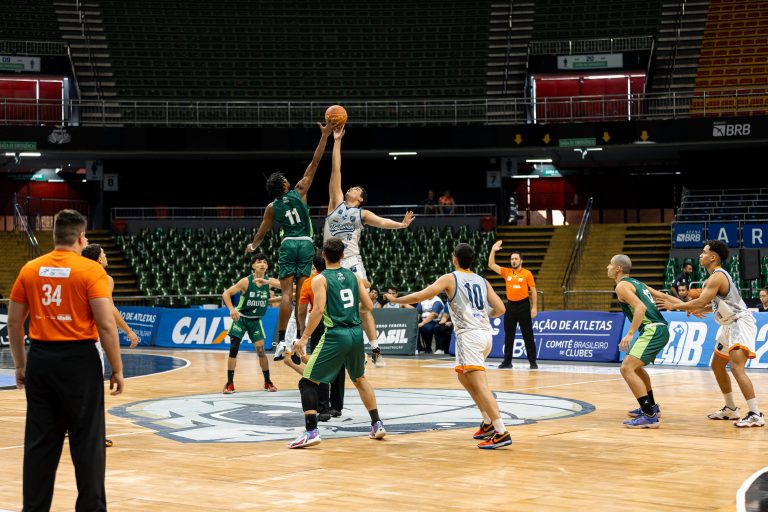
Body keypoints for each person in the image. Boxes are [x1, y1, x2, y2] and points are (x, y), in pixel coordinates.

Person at [7, 209, 124, 511]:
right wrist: (117, 368)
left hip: (41, 359)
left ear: (54, 235)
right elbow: (106, 324)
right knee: (88, 443)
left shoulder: (31, 269)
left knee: (39, 445)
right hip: (79, 362)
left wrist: (21, 365)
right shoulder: (90, 271)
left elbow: (14, 323)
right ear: (81, 238)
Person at [384, 243, 512, 449]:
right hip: (484, 334)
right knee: (463, 376)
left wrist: (395, 299)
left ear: (454, 259)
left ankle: (501, 431)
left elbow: (420, 296)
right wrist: (482, 315)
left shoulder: (450, 278)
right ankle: (488, 422)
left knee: (480, 385)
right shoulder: (482, 280)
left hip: (469, 336)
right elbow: (500, 309)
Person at [323, 127, 414, 365]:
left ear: (360, 198)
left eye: (355, 189)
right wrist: (337, 141)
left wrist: (401, 225)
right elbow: (335, 169)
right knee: (329, 306)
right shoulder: (335, 202)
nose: (350, 188)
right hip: (330, 261)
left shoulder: (362, 213)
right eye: (350, 187)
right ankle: (337, 346)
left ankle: (375, 350)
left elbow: (382, 222)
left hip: (351, 260)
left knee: (366, 305)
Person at [246, 121, 333, 360]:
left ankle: (282, 341)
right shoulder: (300, 190)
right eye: (284, 178)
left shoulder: (271, 207)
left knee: (286, 295)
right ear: (284, 184)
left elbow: (261, 233)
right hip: (305, 243)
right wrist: (324, 136)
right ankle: (300, 340)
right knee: (300, 296)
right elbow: (315, 162)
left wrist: (253, 246)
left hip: (287, 245)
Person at [289, 237, 387, 448]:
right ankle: (377, 424)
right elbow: (369, 305)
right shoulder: (354, 276)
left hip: (336, 334)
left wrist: (304, 338)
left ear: (324, 255)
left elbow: (317, 310)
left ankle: (311, 431)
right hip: (355, 333)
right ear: (343, 255)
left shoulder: (320, 279)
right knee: (359, 379)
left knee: (307, 382)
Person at [659, 240, 764, 427]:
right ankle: (731, 409)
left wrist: (675, 306)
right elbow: (713, 304)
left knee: (737, 368)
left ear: (713, 257)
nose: (701, 255)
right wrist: (699, 309)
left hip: (739, 322)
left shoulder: (717, 276)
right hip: (728, 324)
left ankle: (755, 414)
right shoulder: (714, 277)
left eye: (704, 252)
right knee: (717, 365)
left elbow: (700, 302)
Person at [81, 243, 140, 448]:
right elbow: (109, 309)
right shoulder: (103, 278)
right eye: (104, 254)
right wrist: (128, 330)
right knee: (94, 387)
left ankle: (71, 426)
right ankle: (95, 434)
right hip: (91, 337)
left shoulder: (76, 275)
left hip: (68, 338)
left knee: (75, 386)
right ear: (98, 259)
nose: (106, 257)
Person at [608, 254, 670, 429]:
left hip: (653, 329)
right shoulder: (638, 283)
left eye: (610, 264)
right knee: (636, 368)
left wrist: (629, 334)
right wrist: (689, 307)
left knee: (626, 368)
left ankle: (649, 416)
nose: (608, 267)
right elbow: (663, 296)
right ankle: (652, 407)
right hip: (659, 329)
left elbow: (640, 307)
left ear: (618, 269)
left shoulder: (621, 286)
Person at [296, 249, 344, 421]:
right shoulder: (341, 279)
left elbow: (302, 310)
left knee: (320, 364)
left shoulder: (310, 282)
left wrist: (302, 331)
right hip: (338, 322)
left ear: (314, 265)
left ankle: (323, 408)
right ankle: (336, 406)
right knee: (339, 363)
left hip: (318, 323)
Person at [221, 253, 279, 394]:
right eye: (259, 262)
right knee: (234, 349)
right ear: (253, 265)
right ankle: (229, 383)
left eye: (264, 262)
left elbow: (287, 288)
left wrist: (287, 296)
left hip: (255, 320)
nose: (262, 264)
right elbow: (226, 294)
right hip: (241, 319)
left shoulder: (269, 281)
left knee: (261, 351)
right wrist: (231, 309)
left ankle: (267, 382)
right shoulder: (246, 281)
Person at [488, 241, 538, 369]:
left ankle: (533, 362)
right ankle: (507, 361)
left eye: (516, 259)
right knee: (509, 335)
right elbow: (491, 265)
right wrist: (493, 250)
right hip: (510, 306)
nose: (513, 261)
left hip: (523, 306)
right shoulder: (507, 272)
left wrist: (534, 307)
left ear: (521, 260)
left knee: (528, 334)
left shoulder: (527, 273)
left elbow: (533, 290)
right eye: (512, 259)